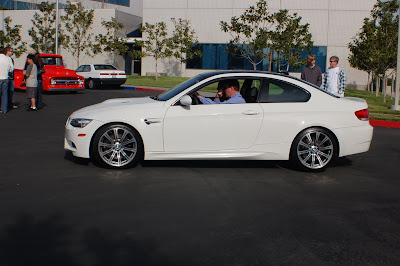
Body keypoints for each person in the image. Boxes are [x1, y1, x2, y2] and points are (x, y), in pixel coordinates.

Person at [0, 47, 11, 113]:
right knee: (4, 94)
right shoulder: (8, 58)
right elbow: (11, 69)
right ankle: (4, 109)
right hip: (5, 77)